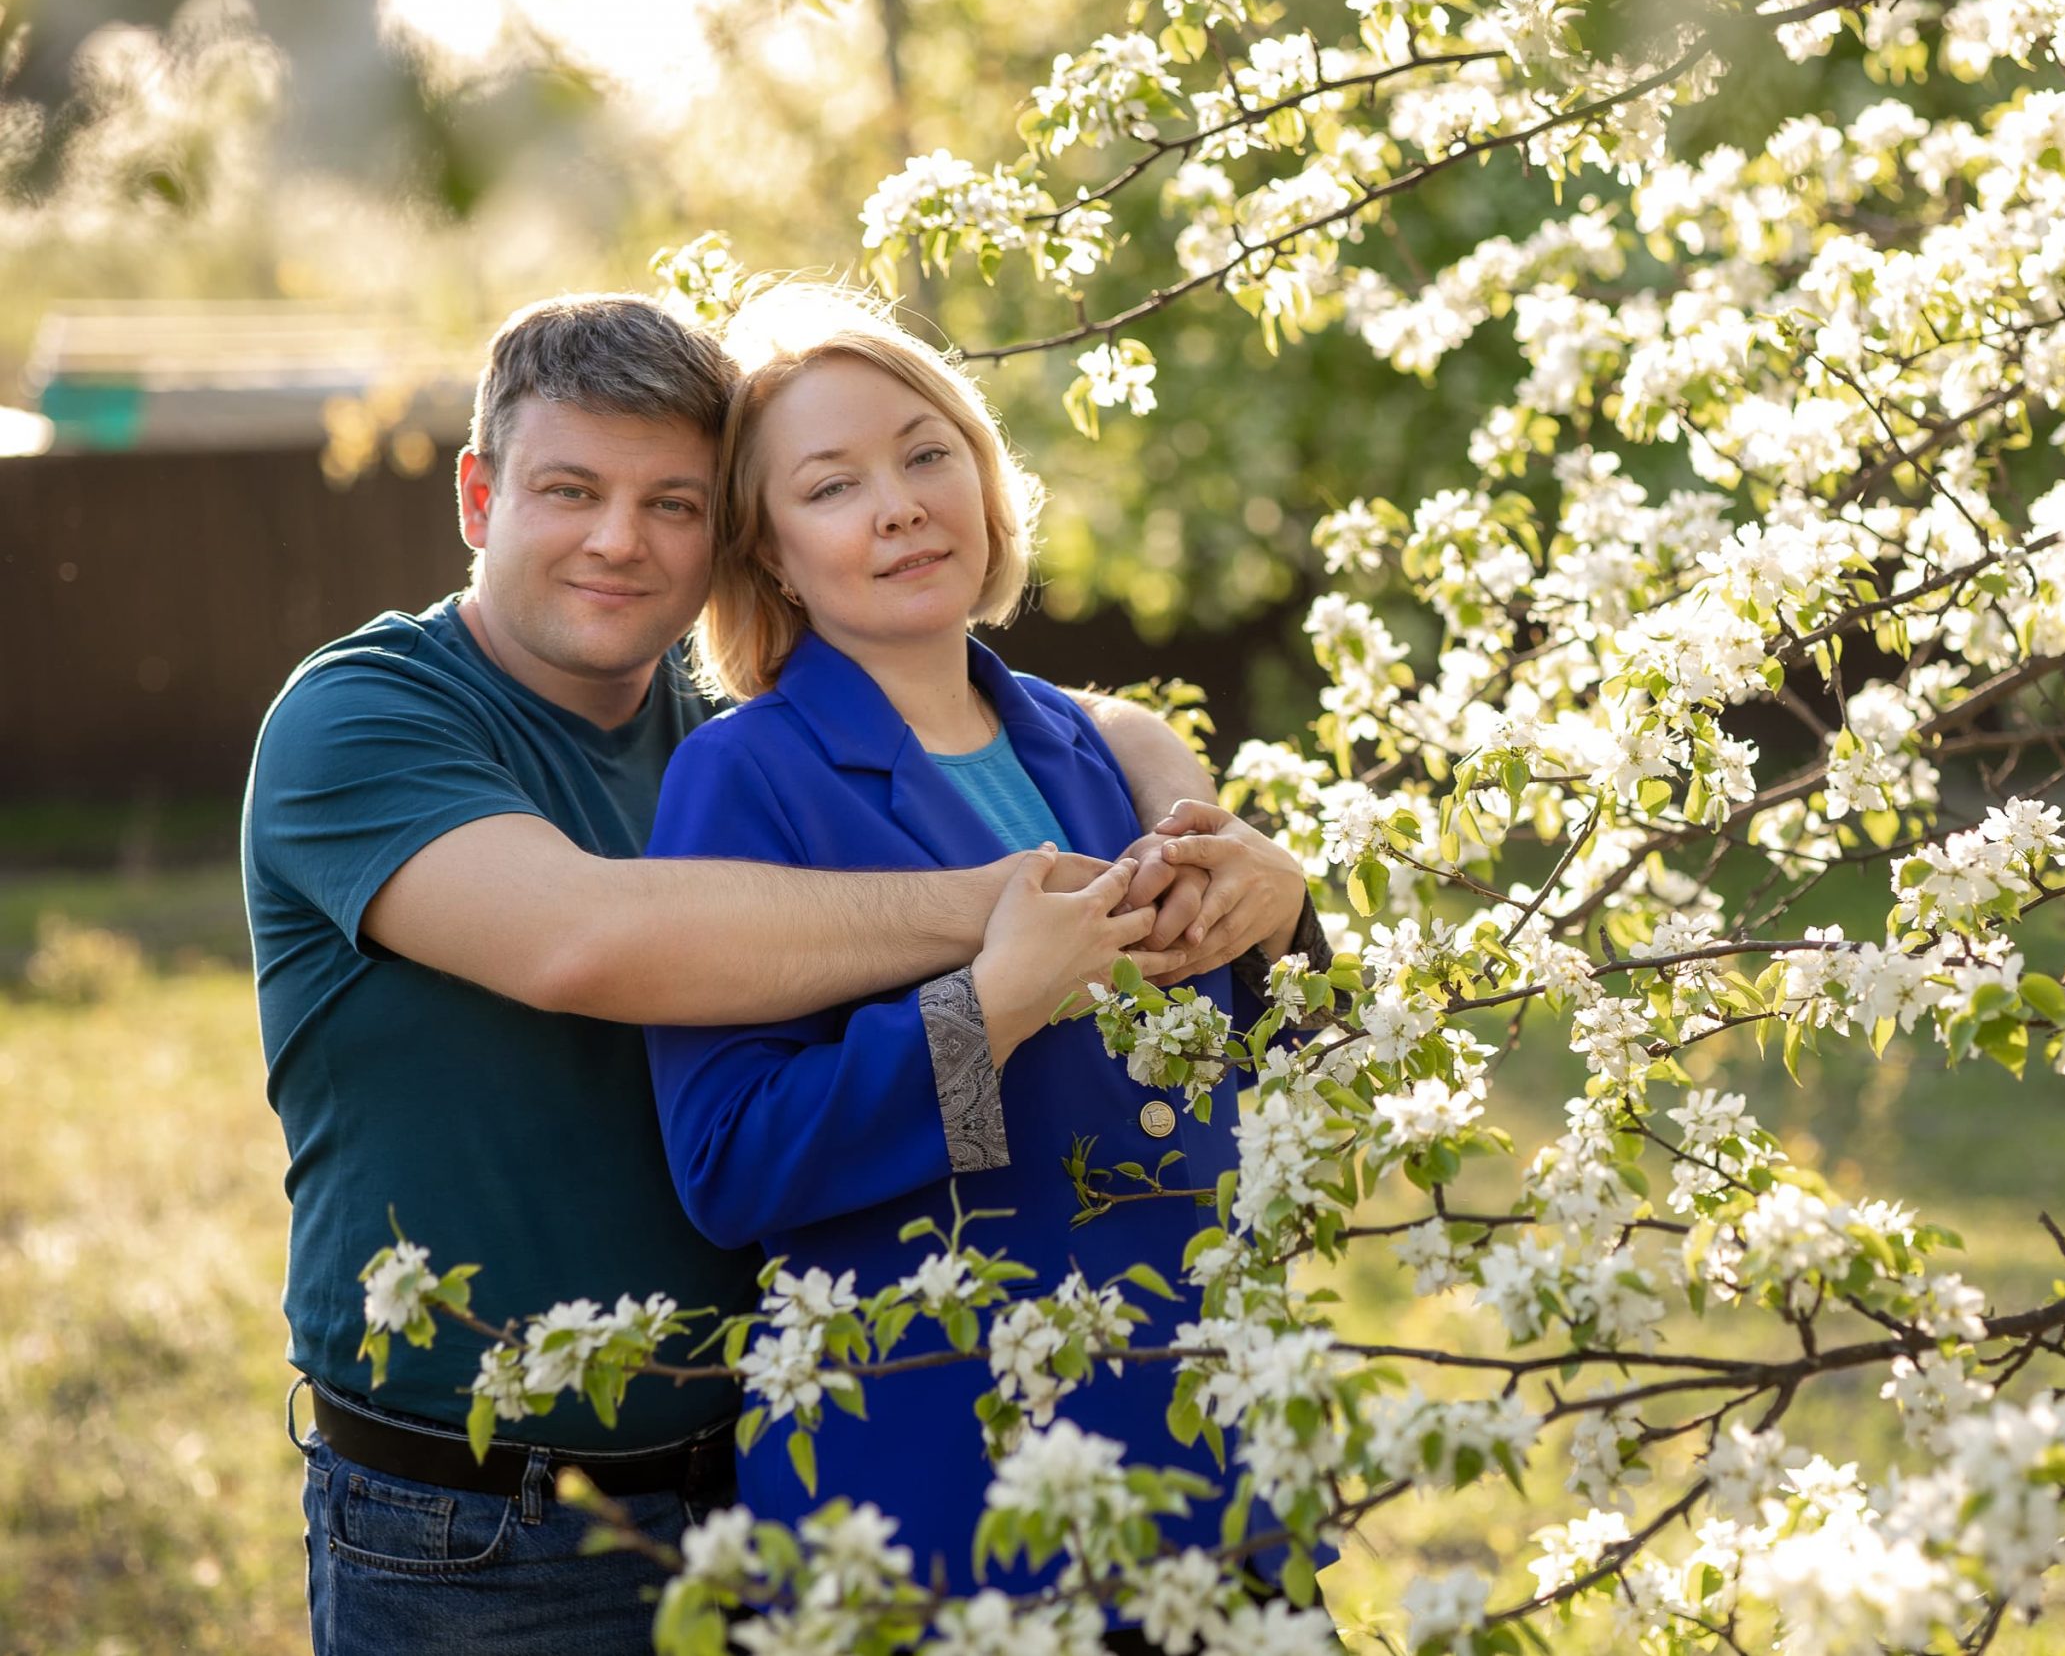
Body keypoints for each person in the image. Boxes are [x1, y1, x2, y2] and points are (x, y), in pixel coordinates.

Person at [241, 292, 1305, 1656]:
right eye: (570, 490)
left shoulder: (712, 726)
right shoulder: (369, 715)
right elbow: (591, 942)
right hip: (482, 1521)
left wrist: (1185, 800)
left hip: (758, 1459)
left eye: (672, 504)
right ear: (479, 495)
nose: (620, 539)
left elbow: (1055, 722)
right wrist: (1000, 939)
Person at [642, 284, 1319, 1630]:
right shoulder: (742, 781)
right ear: (769, 551)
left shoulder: (1099, 750)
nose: (896, 505)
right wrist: (983, 1014)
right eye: (832, 486)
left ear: (985, 476)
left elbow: (1276, 1083)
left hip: (1208, 1463)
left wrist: (1287, 911)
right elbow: (729, 1167)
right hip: (941, 1498)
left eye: (925, 452)